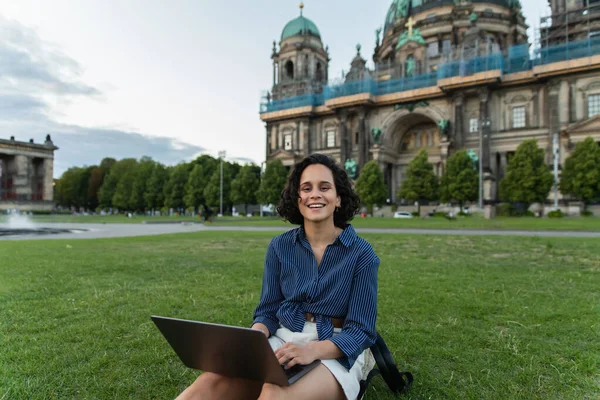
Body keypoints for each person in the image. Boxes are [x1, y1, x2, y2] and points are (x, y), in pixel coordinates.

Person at [177, 154, 380, 400]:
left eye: (324, 187)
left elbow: (361, 330)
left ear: (338, 198)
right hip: (283, 338)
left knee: (273, 394)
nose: (314, 194)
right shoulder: (279, 247)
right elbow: (268, 310)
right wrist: (256, 336)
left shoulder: (362, 253)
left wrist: (312, 351)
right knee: (208, 383)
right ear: (297, 198)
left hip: (335, 347)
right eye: (306, 188)